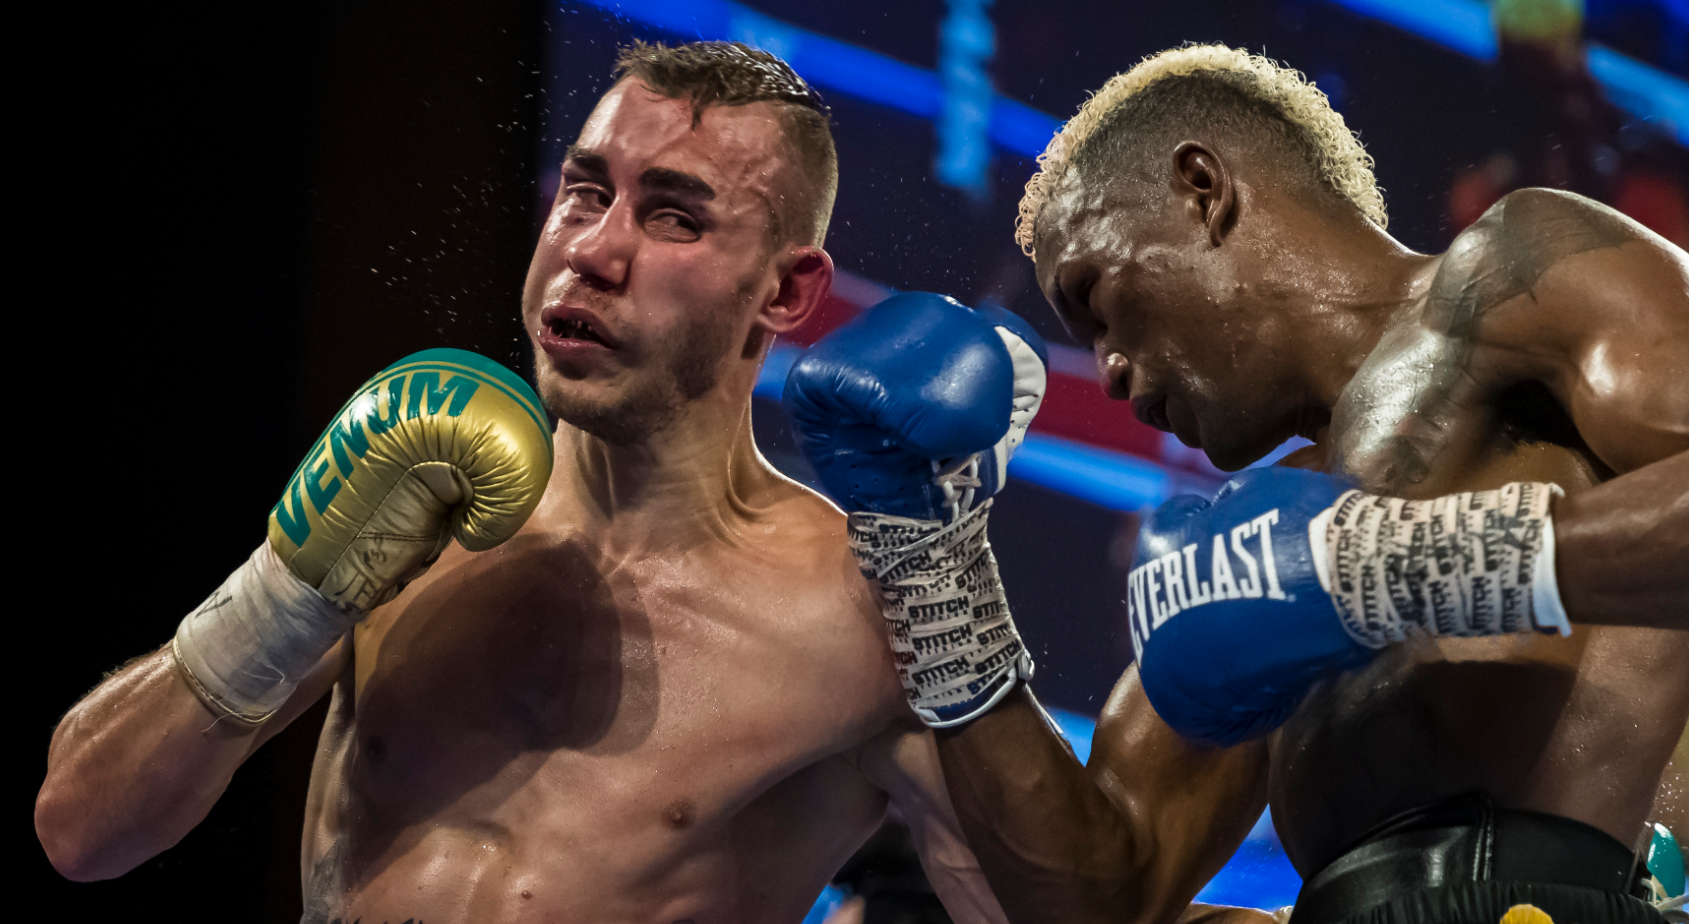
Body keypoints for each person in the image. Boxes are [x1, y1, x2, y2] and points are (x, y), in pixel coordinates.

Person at [34, 41, 1010, 924]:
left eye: (673, 216)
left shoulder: (860, 613)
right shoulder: (414, 503)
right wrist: (284, 593)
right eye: (585, 192)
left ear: (787, 291)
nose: (591, 251)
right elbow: (82, 832)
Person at [789, 43, 1688, 924]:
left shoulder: (1513, 270)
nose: (1102, 370)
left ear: (1201, 190)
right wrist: (937, 568)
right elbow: (1102, 895)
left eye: (1093, 297)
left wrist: (1396, 568)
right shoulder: (1260, 541)